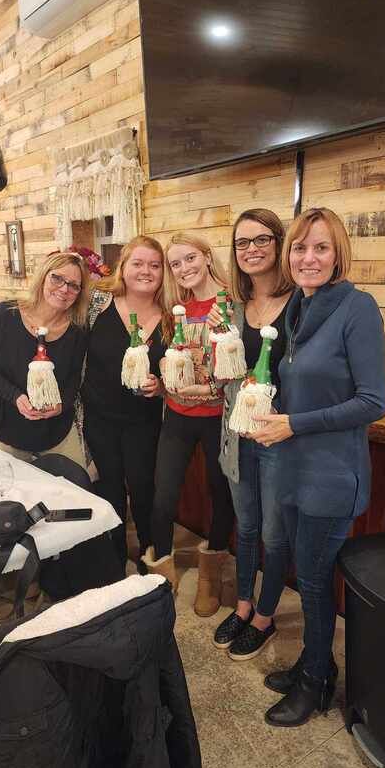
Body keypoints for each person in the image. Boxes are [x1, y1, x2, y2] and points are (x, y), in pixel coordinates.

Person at [250, 207, 385, 727]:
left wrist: (294, 424)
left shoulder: (358, 308)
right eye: (301, 248)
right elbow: (298, 384)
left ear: (337, 255)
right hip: (293, 468)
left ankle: (315, 683)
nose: (309, 258)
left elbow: (371, 402)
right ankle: (316, 664)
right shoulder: (300, 309)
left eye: (321, 248)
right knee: (302, 575)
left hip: (331, 477)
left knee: (310, 581)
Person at [210, 209, 293, 659]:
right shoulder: (233, 308)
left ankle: (264, 616)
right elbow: (223, 375)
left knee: (275, 533)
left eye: (262, 239)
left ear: (279, 244)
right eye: (243, 243)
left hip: (279, 438)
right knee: (247, 527)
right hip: (237, 434)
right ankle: (243, 607)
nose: (252, 250)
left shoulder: (299, 303)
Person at [141, 231, 235, 610]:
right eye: (175, 264)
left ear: (207, 257)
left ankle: (210, 577)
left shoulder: (231, 301)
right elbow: (168, 365)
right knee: (162, 495)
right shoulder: (175, 309)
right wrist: (160, 383)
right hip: (178, 416)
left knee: (220, 494)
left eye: (190, 259)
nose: (183, 269)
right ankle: (162, 571)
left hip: (218, 419)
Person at [81, 235, 166, 569]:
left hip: (145, 422)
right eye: (138, 263)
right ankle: (113, 559)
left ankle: (149, 554)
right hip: (99, 418)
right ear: (123, 267)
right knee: (109, 490)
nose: (146, 271)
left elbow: (180, 366)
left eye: (154, 265)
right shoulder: (97, 304)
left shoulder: (173, 315)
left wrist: (161, 387)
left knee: (144, 489)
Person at [0, 251, 89, 467]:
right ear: (43, 276)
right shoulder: (7, 314)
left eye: (74, 285)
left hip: (56, 430)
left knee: (76, 488)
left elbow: (74, 378)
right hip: (5, 425)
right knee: (10, 494)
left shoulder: (77, 331)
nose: (64, 289)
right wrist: (15, 396)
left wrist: (61, 404)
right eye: (57, 278)